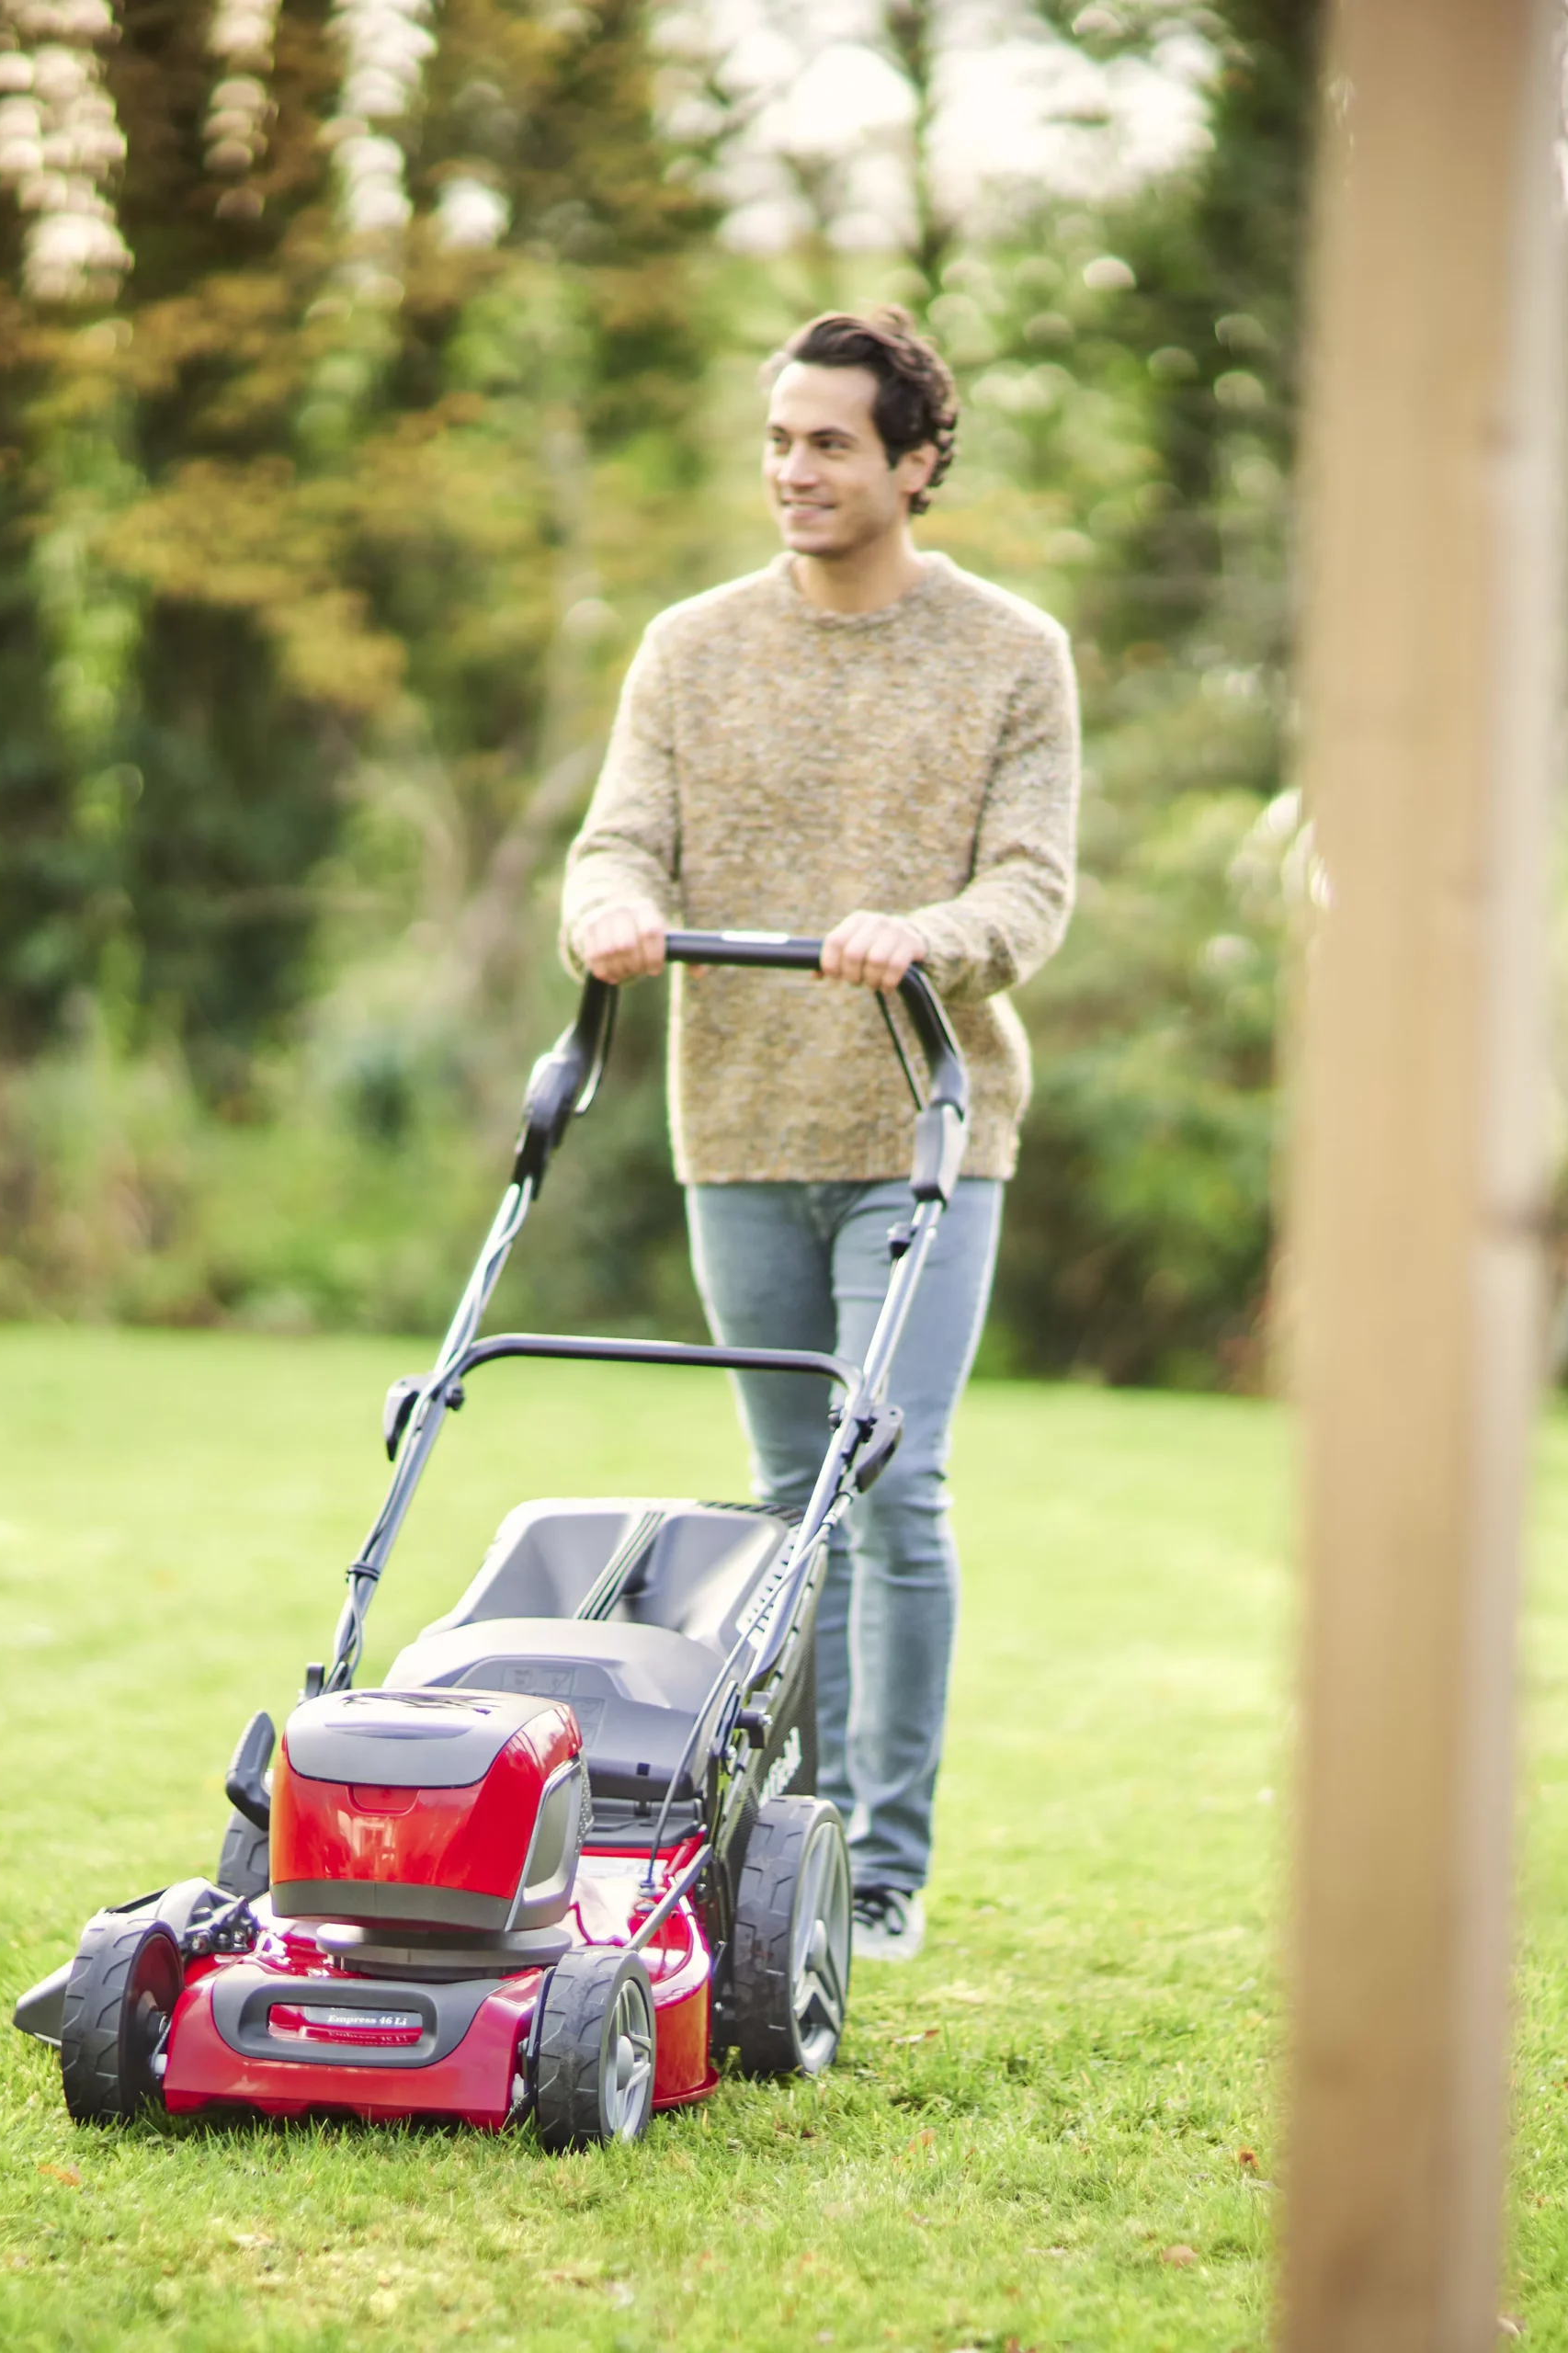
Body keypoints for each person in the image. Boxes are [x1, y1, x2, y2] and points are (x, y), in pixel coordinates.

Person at [560, 307, 1079, 1962]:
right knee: (792, 1500)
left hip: (930, 1129)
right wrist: (613, 915)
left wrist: (923, 931)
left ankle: (881, 1870)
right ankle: (786, 1837)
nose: (794, 469)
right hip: (737, 1128)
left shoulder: (1011, 653)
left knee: (890, 1481)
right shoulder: (690, 647)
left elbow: (1032, 892)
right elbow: (616, 842)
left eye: (831, 442)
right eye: (779, 439)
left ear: (916, 462)